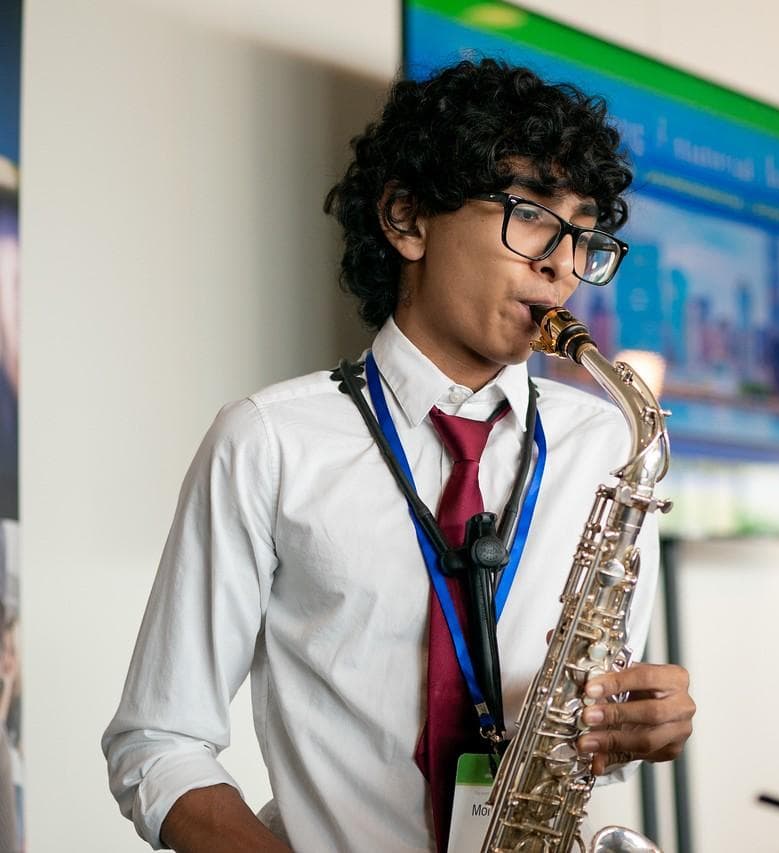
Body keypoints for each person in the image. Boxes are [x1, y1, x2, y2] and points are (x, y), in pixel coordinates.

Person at [103, 59, 695, 853]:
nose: (563, 263)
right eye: (530, 216)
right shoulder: (267, 441)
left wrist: (633, 727)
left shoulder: (609, 446)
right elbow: (156, 742)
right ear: (407, 218)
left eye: (584, 232)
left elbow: (580, 749)